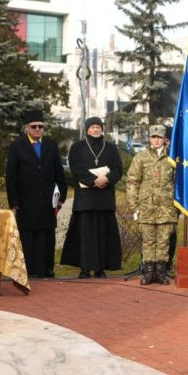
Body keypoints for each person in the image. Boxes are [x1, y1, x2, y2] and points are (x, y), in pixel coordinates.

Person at [5, 109, 66, 279]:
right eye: (34, 126)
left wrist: (61, 197)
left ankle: (45, 269)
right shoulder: (17, 146)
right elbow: (11, 175)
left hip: (48, 200)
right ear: (27, 128)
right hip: (26, 199)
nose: (38, 129)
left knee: (45, 235)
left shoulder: (51, 144)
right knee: (28, 234)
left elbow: (59, 172)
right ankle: (28, 269)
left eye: (41, 126)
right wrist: (13, 200)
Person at [61, 117, 123, 277]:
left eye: (98, 127)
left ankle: (100, 269)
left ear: (102, 129)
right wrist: (93, 181)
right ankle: (85, 268)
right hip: (86, 199)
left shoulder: (111, 148)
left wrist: (106, 179)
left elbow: (118, 169)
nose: (96, 130)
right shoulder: (77, 147)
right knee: (85, 235)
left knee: (103, 234)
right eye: (93, 127)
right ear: (87, 129)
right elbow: (76, 168)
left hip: (105, 198)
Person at [126, 125, 177, 284]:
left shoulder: (172, 158)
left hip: (166, 207)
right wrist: (134, 206)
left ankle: (161, 272)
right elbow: (132, 182)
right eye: (153, 137)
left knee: (163, 241)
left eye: (159, 137)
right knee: (148, 241)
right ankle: (148, 272)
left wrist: (177, 206)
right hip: (146, 206)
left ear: (164, 139)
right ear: (150, 138)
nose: (156, 140)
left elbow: (179, 183)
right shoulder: (141, 157)